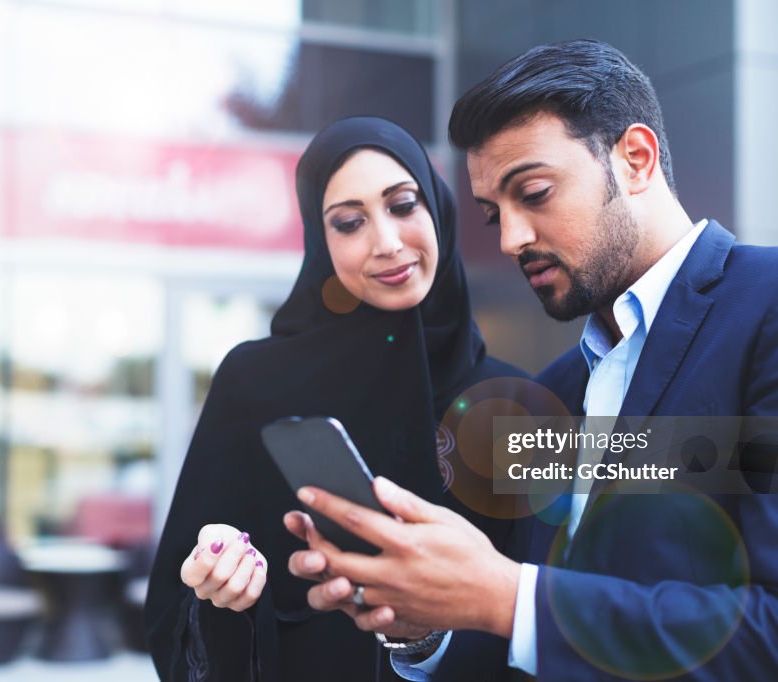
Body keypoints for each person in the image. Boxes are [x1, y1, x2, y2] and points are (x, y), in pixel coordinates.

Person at [286, 39, 778, 680]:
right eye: (493, 212)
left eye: (534, 192)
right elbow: (555, 645)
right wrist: (429, 629)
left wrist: (507, 594)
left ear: (635, 159)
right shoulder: (550, 392)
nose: (510, 239)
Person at [144, 115, 528, 682]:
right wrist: (222, 588)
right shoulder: (255, 381)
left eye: (403, 205)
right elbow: (176, 619)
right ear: (319, 243)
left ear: (438, 211)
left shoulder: (512, 402)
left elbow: (540, 624)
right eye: (349, 222)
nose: (388, 242)